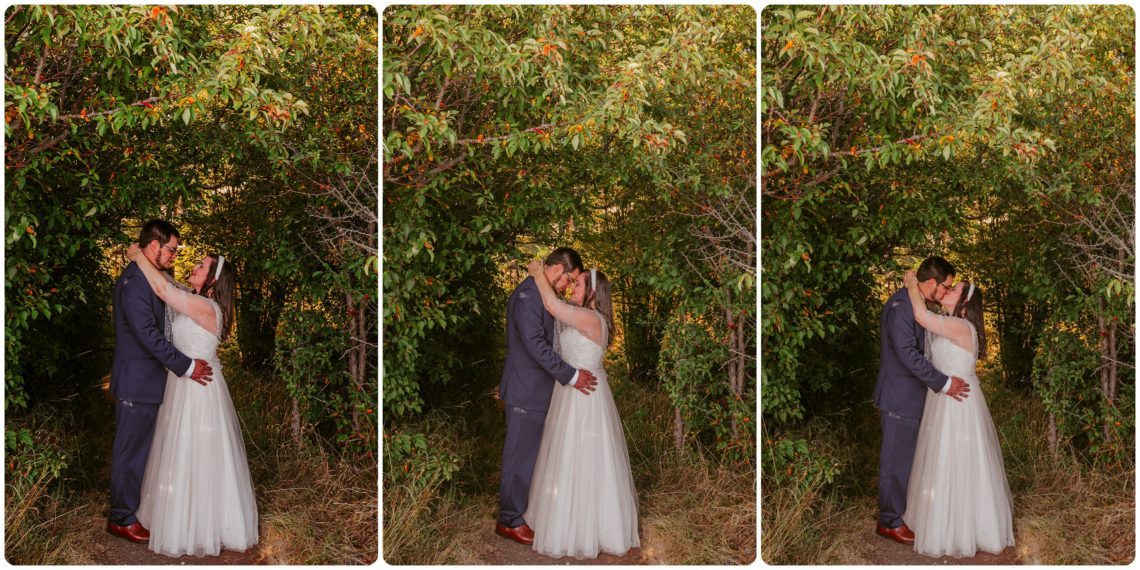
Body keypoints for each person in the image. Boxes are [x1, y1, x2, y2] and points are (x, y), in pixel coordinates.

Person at [127, 243, 258, 557]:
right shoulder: (197, 299)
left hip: (198, 390)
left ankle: (199, 525)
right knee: (177, 452)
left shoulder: (208, 308)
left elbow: (161, 288)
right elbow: (167, 282)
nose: (194, 268)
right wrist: (152, 259)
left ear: (213, 281)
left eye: (201, 266)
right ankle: (178, 517)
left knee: (196, 452)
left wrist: (137, 257)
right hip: (181, 383)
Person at [523, 260, 639, 559]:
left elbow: (550, 304)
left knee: (584, 458)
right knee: (566, 455)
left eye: (579, 283)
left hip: (585, 398)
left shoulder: (591, 319)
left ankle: (587, 529)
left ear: (592, 293)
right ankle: (564, 520)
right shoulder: (582, 315)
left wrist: (537, 272)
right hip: (571, 391)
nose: (573, 285)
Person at [108, 220, 213, 544]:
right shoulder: (135, 282)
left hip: (147, 382)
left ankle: (129, 512)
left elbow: (173, 296)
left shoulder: (149, 278)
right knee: (129, 451)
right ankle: (121, 519)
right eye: (171, 249)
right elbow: (149, 336)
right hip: (136, 382)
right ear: (154, 246)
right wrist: (185, 366)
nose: (174, 256)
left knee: (139, 451)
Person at [902, 271, 1015, 557]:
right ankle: (941, 520)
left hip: (958, 405)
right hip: (943, 398)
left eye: (955, 290)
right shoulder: (951, 324)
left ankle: (965, 529)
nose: (946, 291)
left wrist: (912, 285)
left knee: (960, 462)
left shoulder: (961, 326)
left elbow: (922, 318)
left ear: (965, 305)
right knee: (942, 460)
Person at [496, 247, 598, 546]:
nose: (568, 286)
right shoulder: (528, 296)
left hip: (538, 392)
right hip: (525, 390)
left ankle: (519, 513)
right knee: (518, 457)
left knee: (530, 458)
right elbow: (535, 346)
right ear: (558, 270)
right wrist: (572, 375)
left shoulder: (540, 293)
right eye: (570, 280)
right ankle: (509, 521)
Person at [872, 256, 970, 545]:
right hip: (899, 396)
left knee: (904, 461)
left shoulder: (914, 304)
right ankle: (889, 522)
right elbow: (908, 355)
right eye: (946, 287)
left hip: (911, 397)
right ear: (931, 283)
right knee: (894, 462)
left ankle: (898, 514)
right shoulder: (901, 307)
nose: (946, 292)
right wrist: (945, 383)